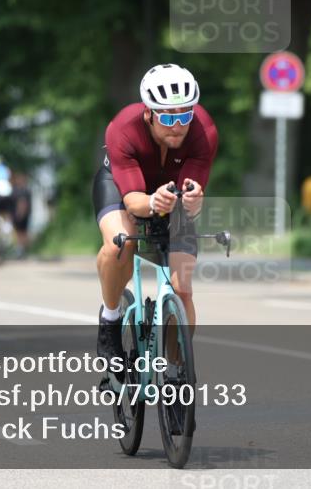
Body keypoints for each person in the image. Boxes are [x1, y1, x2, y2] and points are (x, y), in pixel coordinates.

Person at [92, 64, 217, 376]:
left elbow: (190, 197)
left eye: (185, 115)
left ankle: (178, 372)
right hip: (123, 188)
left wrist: (192, 200)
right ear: (148, 113)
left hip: (170, 192)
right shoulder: (123, 128)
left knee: (183, 289)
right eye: (168, 117)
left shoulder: (204, 131)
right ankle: (110, 318)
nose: (178, 126)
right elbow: (134, 201)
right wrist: (151, 202)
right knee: (118, 244)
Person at [11, 172, 32, 257]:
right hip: (21, 215)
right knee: (21, 233)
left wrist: (20, 214)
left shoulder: (21, 191)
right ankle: (21, 249)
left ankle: (21, 250)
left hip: (20, 215)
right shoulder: (24, 190)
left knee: (21, 233)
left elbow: (23, 203)